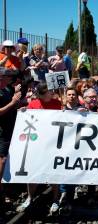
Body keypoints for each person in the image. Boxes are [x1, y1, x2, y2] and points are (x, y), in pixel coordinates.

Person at [17, 82, 61, 215]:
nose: (52, 92)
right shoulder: (33, 104)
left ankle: (55, 199)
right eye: (49, 91)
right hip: (36, 144)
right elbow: (26, 116)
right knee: (33, 172)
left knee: (53, 173)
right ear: (42, 94)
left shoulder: (57, 103)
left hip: (52, 143)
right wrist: (23, 111)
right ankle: (30, 197)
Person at [0, 72, 22, 199]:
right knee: (2, 159)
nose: (4, 80)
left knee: (7, 158)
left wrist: (17, 106)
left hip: (10, 129)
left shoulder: (5, 90)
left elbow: (11, 107)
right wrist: (13, 102)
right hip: (2, 132)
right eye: (2, 78)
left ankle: (6, 186)